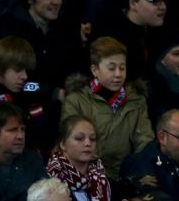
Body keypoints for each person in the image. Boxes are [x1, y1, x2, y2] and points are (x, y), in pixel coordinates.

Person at [62, 36, 154, 183]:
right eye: (111, 68)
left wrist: (137, 173)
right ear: (95, 69)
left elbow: (144, 140)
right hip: (86, 175)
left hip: (126, 175)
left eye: (122, 68)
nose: (118, 74)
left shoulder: (136, 101)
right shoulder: (76, 100)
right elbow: (73, 143)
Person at [46, 115, 112, 201]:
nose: (87, 143)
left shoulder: (103, 180)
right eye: (80, 138)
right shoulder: (48, 180)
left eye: (92, 139)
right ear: (62, 144)